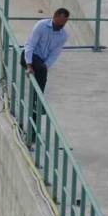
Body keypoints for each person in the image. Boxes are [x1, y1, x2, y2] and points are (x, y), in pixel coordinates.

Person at [19, 8, 70, 144]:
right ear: (54, 17)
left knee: (41, 76)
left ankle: (33, 131)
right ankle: (38, 102)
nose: (61, 25)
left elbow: (54, 54)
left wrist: (43, 67)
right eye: (60, 21)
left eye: (64, 22)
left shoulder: (63, 36)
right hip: (28, 57)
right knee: (41, 71)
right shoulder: (41, 26)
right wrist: (29, 66)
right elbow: (30, 45)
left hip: (41, 64)